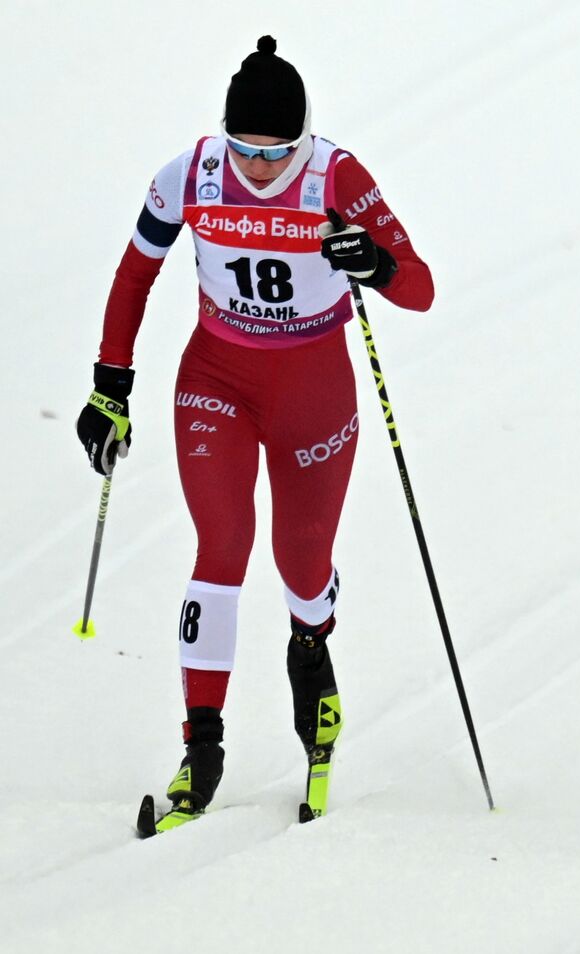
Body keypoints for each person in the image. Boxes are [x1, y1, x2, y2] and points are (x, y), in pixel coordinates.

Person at [74, 36, 434, 834]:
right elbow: (135, 273)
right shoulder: (191, 174)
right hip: (218, 381)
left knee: (300, 566)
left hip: (314, 390)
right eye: (246, 150)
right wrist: (110, 382)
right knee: (222, 547)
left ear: (306, 139)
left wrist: (370, 261)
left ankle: (313, 648)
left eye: (279, 153)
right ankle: (201, 745)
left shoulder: (337, 176)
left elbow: (421, 289)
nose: (262, 168)